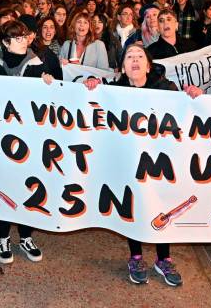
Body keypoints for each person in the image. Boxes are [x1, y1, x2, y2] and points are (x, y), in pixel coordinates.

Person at [83, 44, 183, 286]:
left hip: (159, 160)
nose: (135, 61)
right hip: (127, 162)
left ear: (148, 65)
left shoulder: (166, 89)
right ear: (123, 67)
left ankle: (164, 258)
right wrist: (92, 86)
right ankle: (136, 256)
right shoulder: (114, 91)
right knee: (132, 204)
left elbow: (184, 114)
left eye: (140, 57)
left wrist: (193, 96)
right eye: (129, 57)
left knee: (159, 204)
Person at [0, 20, 60, 264]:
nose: (23, 41)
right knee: (4, 184)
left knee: (28, 185)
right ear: (6, 43)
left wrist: (50, 86)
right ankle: (3, 236)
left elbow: (54, 100)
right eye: (16, 38)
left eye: (24, 37)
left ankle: (26, 236)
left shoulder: (37, 64)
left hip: (28, 138)